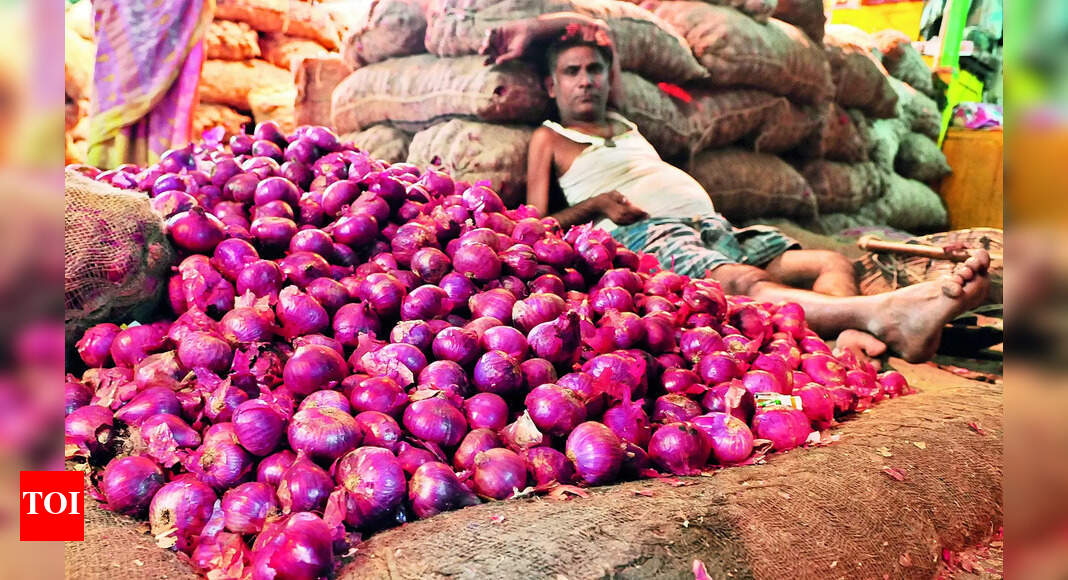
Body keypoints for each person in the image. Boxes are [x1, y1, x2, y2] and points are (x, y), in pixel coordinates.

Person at [481, 15, 991, 363]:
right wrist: (596, 206)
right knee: (744, 283)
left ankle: (852, 333)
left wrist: (559, 31)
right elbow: (534, 227)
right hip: (648, 235)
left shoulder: (623, 119)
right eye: (571, 72)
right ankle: (883, 315)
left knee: (828, 262)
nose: (586, 80)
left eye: (594, 69)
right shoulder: (551, 137)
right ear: (551, 87)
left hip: (713, 226)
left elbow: (605, 35)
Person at [87, 0, 215, 169]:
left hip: (176, 10)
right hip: (123, 15)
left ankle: (163, 174)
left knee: (168, 98)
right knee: (119, 92)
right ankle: (111, 173)